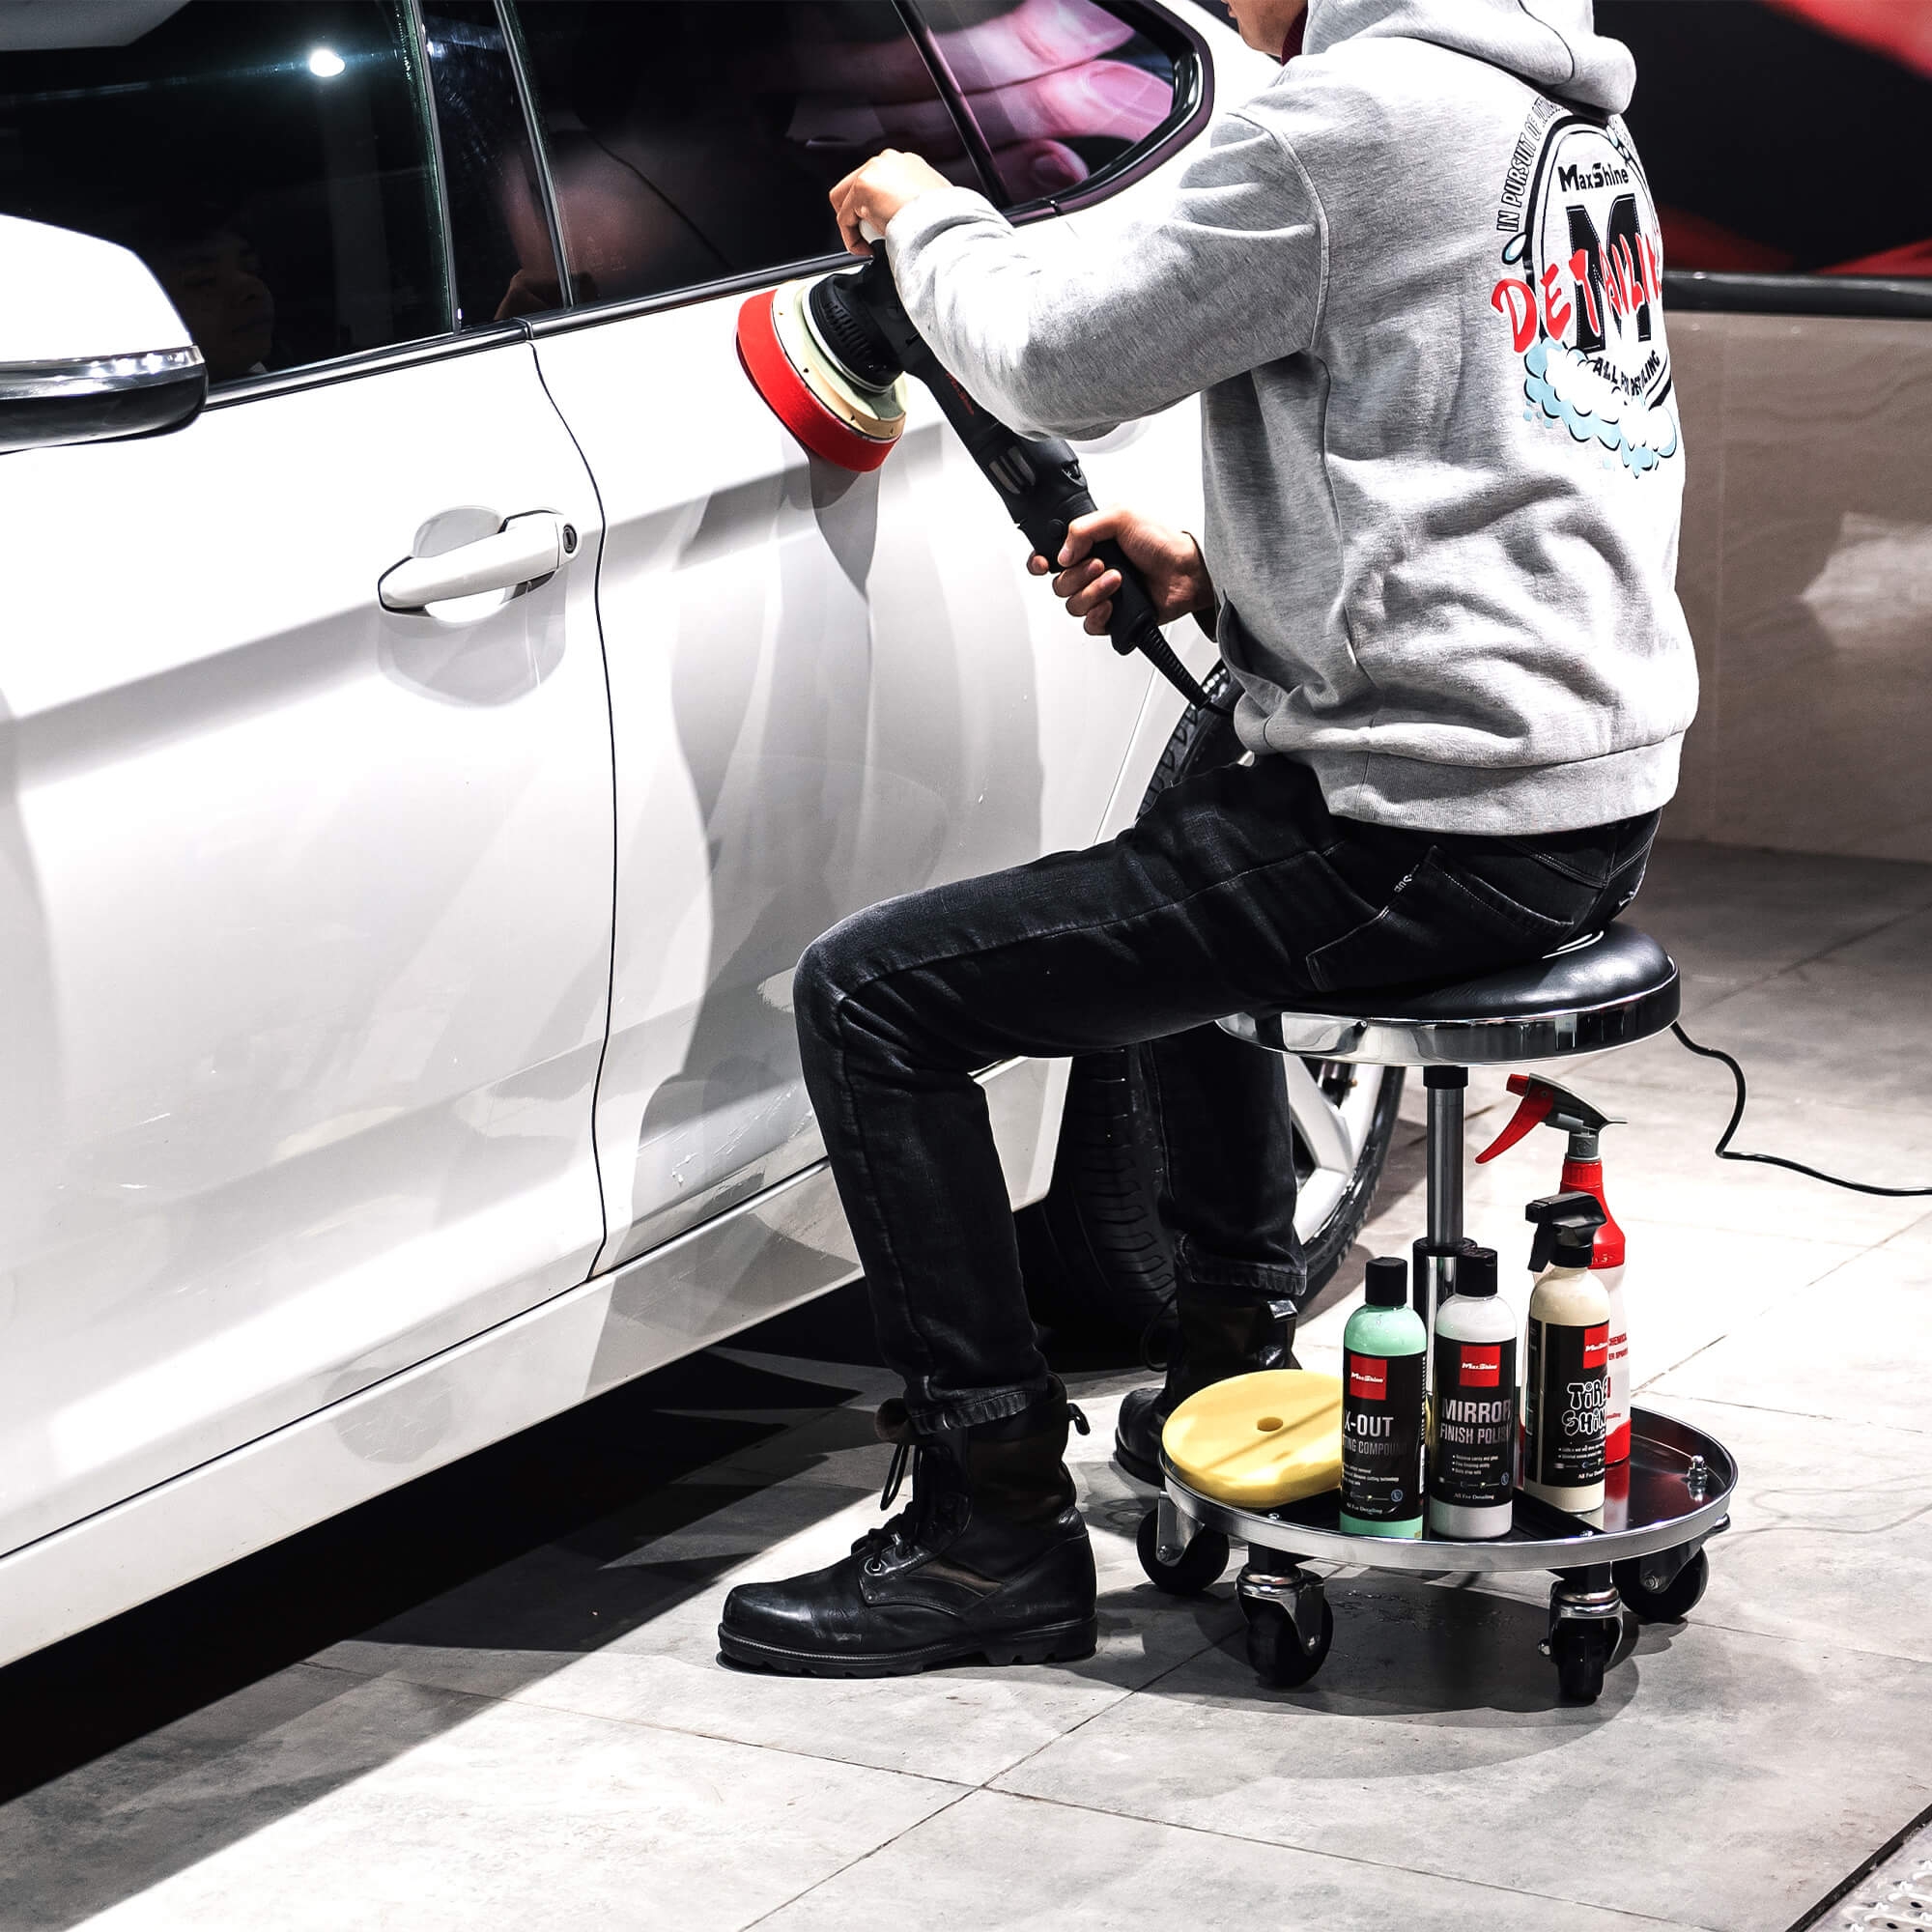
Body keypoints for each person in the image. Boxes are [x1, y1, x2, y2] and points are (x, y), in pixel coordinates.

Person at [717, 0, 1694, 1677]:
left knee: (874, 999)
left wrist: (927, 214)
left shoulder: (1360, 117)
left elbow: (1057, 359)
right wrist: (1227, 576)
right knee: (1198, 812)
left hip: (1421, 823)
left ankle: (987, 1531)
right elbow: (1489, 459)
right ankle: (1229, 1351)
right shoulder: (1558, 116)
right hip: (1575, 788)